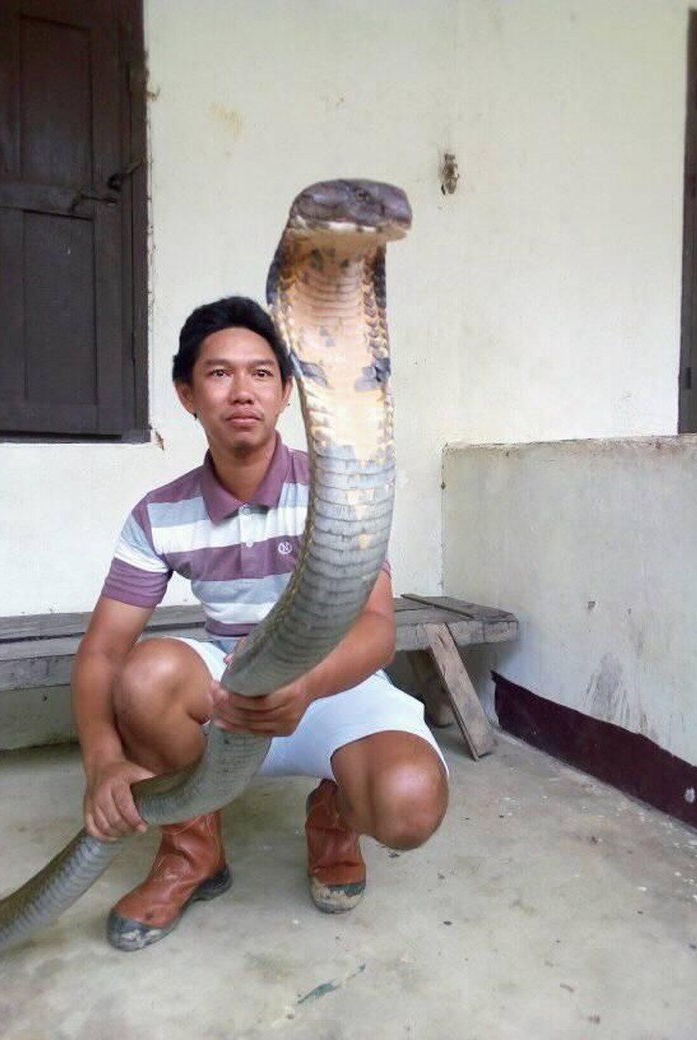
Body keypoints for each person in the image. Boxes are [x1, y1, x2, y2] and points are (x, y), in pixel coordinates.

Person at [72, 296, 449, 952]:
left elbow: (378, 626)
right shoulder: (159, 515)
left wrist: (305, 685)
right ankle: (193, 854)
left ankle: (335, 817)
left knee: (411, 803)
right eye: (219, 374)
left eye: (262, 373)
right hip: (229, 687)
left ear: (286, 393)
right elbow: (103, 651)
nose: (242, 391)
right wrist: (103, 762)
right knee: (143, 675)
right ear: (187, 395)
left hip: (334, 686)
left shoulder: (340, 493)